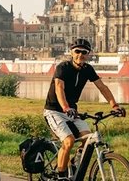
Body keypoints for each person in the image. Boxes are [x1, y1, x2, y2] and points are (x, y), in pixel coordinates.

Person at [44, 38, 123, 180]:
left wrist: (114, 105)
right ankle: (61, 177)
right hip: (54, 110)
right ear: (71, 52)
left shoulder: (88, 70)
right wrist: (65, 107)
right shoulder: (63, 67)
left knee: (88, 140)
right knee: (69, 141)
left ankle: (73, 166)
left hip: (72, 111)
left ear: (88, 55)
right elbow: (59, 88)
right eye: (77, 51)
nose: (80, 55)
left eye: (84, 52)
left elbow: (102, 87)